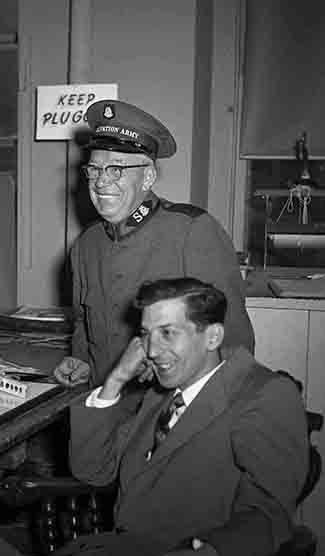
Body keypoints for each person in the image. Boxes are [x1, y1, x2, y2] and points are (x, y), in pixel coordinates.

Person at [0, 277, 308, 556]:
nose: (153, 350)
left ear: (213, 335)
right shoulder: (163, 393)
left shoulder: (263, 394)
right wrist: (115, 381)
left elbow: (271, 511)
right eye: (145, 335)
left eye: (168, 333)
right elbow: (93, 470)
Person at [54, 100, 255, 389]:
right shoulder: (87, 245)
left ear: (148, 176)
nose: (100, 182)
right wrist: (82, 362)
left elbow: (233, 342)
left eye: (116, 170)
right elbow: (84, 325)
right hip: (102, 408)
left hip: (168, 414)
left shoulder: (192, 230)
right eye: (95, 170)